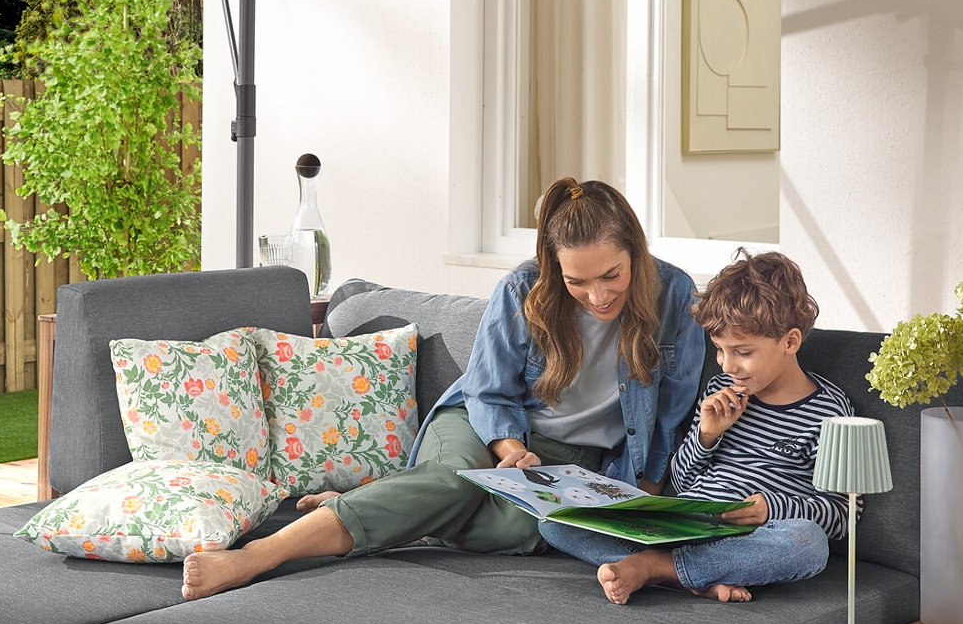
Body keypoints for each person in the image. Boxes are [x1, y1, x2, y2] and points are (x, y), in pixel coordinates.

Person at [179, 177, 702, 600]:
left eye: (611, 275)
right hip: (486, 427)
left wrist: (642, 501)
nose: (597, 295)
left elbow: (669, 419)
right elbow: (487, 392)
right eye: (577, 281)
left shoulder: (676, 297)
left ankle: (376, 502)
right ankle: (257, 556)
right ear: (553, 266)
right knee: (451, 482)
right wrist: (512, 449)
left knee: (527, 533)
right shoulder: (524, 289)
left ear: (635, 249)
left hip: (576, 458)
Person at [542, 250, 848, 605]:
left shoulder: (831, 413)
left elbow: (841, 514)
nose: (727, 364)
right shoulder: (720, 391)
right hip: (684, 527)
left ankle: (653, 570)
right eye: (719, 350)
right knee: (554, 521)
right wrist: (706, 436)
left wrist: (772, 508)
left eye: (743, 351)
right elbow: (684, 483)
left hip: (752, 539)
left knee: (808, 543)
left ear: (790, 342)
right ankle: (689, 577)